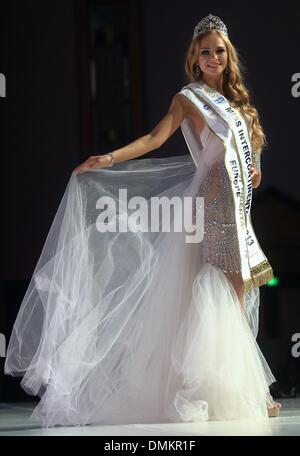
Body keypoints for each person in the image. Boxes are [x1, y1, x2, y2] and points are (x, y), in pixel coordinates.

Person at [5, 14, 281, 427]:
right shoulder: (189, 99)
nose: (212, 57)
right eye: (205, 51)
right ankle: (228, 390)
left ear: (228, 56)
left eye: (219, 51)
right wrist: (111, 157)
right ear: (195, 58)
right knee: (212, 288)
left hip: (234, 202)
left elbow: (247, 159)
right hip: (209, 201)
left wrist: (255, 171)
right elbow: (154, 139)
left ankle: (248, 389)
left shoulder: (241, 106)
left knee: (235, 294)